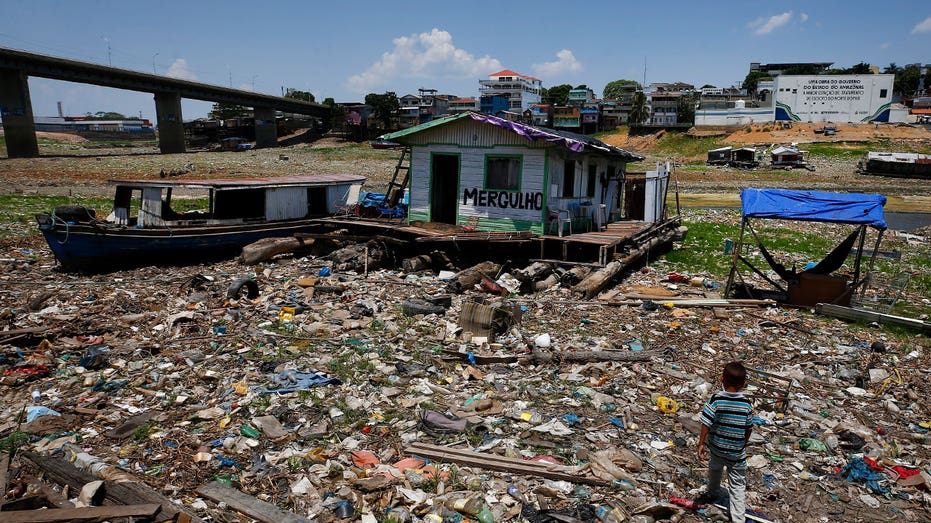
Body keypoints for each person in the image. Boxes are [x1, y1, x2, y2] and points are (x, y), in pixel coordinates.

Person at [697, 361, 753, 523]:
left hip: (716, 448)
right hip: (736, 453)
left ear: (722, 378)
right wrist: (743, 443)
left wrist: (701, 443)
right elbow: (748, 427)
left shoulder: (715, 400)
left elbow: (705, 423)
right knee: (737, 486)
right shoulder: (746, 404)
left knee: (715, 468)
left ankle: (713, 490)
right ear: (744, 384)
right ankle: (738, 519)